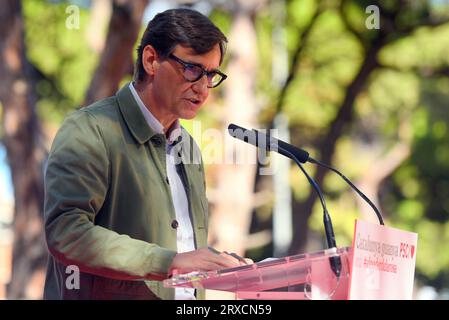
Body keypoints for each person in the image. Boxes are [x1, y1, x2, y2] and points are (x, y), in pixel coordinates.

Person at [43, 8, 249, 300]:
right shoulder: (89, 130)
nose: (203, 89)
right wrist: (169, 262)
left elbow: (185, 249)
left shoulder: (189, 148)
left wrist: (222, 265)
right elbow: (67, 232)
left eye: (212, 75)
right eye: (193, 69)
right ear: (151, 60)